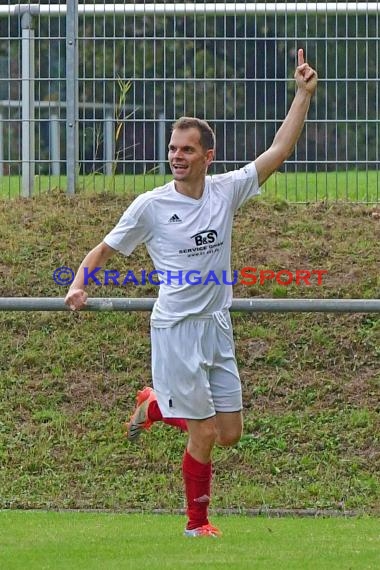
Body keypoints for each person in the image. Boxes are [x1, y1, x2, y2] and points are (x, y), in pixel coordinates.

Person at [65, 49, 317, 537]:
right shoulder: (150, 206)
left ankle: (155, 405)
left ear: (207, 156)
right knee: (202, 433)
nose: (176, 157)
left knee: (230, 435)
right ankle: (196, 525)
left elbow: (278, 151)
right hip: (176, 331)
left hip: (217, 328)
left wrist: (302, 95)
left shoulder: (226, 191)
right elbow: (104, 249)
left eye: (186, 150)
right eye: (172, 149)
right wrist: (78, 283)